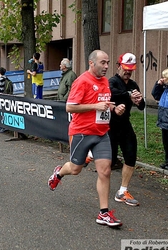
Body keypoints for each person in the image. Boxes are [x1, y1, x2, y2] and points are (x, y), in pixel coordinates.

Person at [47, 50, 126, 227]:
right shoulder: (81, 81)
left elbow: (104, 103)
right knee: (75, 169)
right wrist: (94, 106)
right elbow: (70, 107)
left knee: (105, 171)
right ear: (92, 63)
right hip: (82, 133)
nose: (106, 66)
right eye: (103, 63)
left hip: (102, 133)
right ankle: (59, 173)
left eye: (107, 63)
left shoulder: (105, 81)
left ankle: (104, 213)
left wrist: (114, 108)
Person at [108, 53, 145, 207]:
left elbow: (141, 107)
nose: (128, 71)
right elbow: (112, 93)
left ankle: (123, 191)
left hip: (125, 124)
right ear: (119, 66)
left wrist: (139, 100)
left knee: (130, 155)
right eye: (126, 68)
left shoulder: (133, 84)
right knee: (108, 161)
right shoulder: (112, 81)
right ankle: (90, 152)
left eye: (131, 69)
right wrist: (129, 95)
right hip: (109, 125)